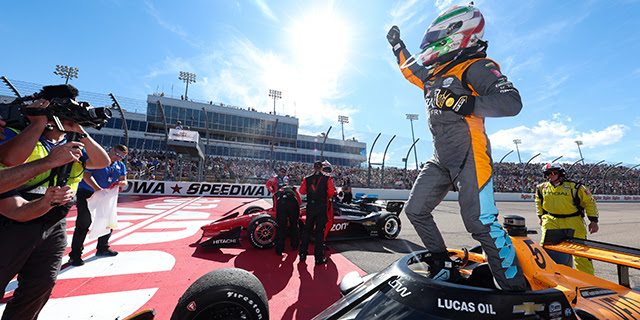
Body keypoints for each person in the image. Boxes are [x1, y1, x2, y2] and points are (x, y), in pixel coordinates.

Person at [387, 4, 527, 291]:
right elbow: (410, 69)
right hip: (441, 158)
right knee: (415, 210)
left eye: (437, 37)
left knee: (480, 223)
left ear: (457, 33)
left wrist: (468, 103)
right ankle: (442, 264)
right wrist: (397, 45)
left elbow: (512, 102)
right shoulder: (434, 74)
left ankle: (516, 291)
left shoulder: (475, 66)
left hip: (471, 155)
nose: (431, 44)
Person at [0, 97, 110, 320]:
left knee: (41, 285)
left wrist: (78, 130)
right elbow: (9, 160)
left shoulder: (73, 143)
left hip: (54, 219)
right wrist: (38, 124)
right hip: (13, 217)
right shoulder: (18, 134)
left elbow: (102, 161)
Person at [69, 144, 129, 266]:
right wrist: (98, 189)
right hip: (87, 192)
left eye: (122, 157)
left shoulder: (120, 165)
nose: (118, 158)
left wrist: (122, 182)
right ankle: (75, 255)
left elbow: (124, 179)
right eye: (117, 154)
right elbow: (86, 176)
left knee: (107, 221)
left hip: (105, 194)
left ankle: (102, 247)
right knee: (83, 223)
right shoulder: (99, 160)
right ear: (111, 150)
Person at [535, 163, 599, 275]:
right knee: (546, 250)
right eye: (547, 174)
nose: (550, 176)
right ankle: (548, 276)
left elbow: (589, 203)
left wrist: (593, 221)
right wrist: (541, 217)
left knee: (580, 253)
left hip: (573, 221)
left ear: (561, 173)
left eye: (553, 173)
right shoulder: (541, 188)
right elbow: (538, 202)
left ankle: (587, 279)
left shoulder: (576, 187)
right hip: (550, 220)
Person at [298, 161, 336, 265]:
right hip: (321, 207)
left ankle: (302, 254)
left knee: (307, 231)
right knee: (320, 232)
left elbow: (301, 191)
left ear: (314, 168)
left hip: (310, 207)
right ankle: (318, 258)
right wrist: (325, 198)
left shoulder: (307, 179)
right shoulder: (327, 178)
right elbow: (331, 192)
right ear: (321, 168)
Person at [273, 185, 301, 256]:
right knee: (294, 225)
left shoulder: (277, 193)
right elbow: (299, 202)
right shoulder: (294, 189)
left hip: (281, 204)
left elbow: (275, 206)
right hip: (293, 203)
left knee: (281, 227)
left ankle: (279, 249)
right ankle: (295, 246)